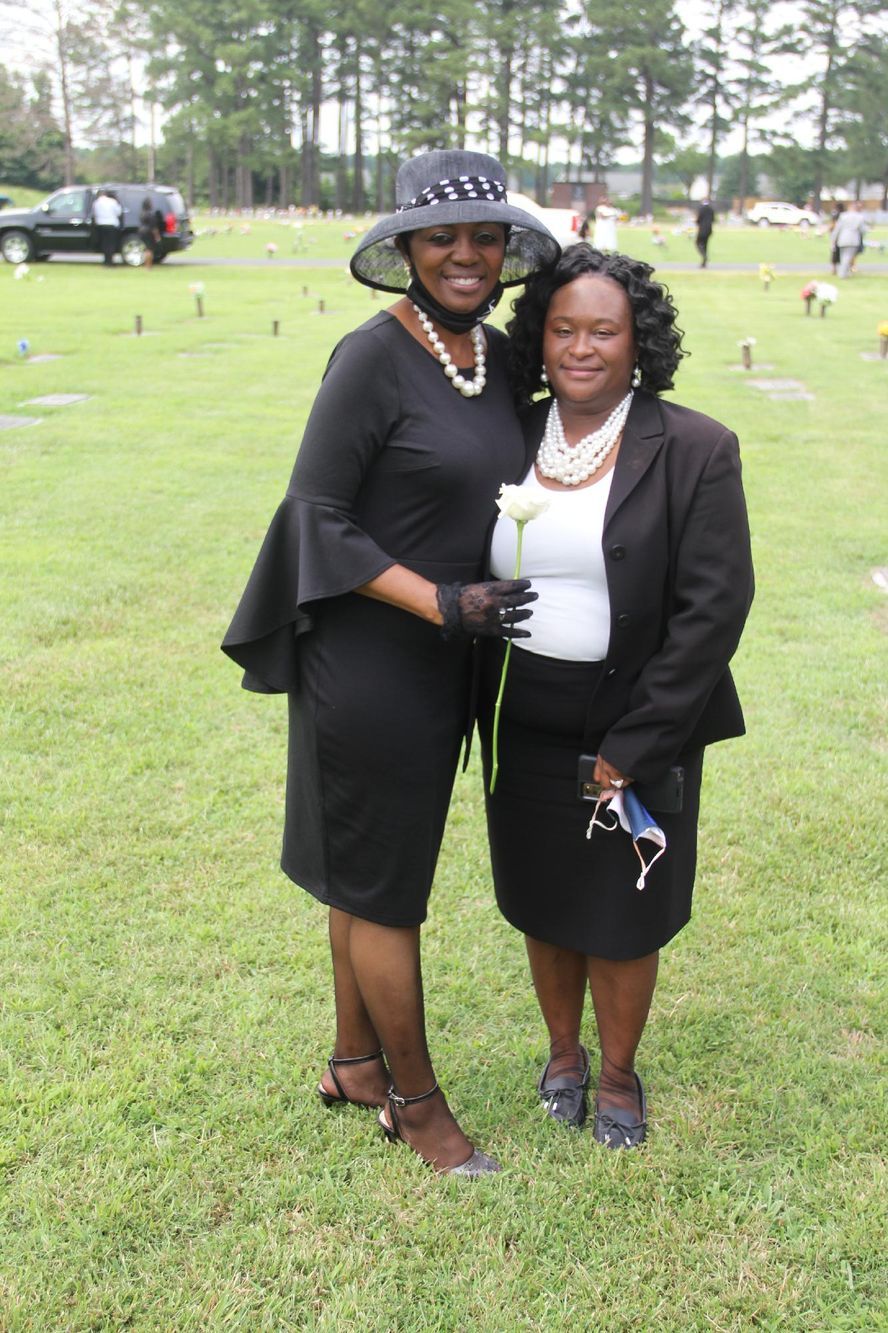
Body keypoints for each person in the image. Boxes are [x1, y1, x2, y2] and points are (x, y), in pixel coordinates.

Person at [222, 150, 558, 1176]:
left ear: (507, 251)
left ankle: (356, 1061)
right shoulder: (369, 357)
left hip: (456, 663)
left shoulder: (500, 357)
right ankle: (417, 1107)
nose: (467, 254)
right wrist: (439, 601)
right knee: (385, 890)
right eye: (443, 236)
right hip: (370, 660)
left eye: (486, 236)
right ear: (406, 247)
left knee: (369, 878)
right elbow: (314, 518)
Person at [478, 244, 753, 1150]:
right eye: (563, 328)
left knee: (626, 909)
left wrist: (639, 740)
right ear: (541, 338)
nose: (582, 346)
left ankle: (622, 1072)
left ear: (640, 345)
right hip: (523, 716)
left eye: (605, 330)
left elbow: (716, 607)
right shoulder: (506, 435)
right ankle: (564, 1055)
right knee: (544, 895)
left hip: (641, 722)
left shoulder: (697, 447)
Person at [831, 201, 867, 279]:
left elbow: (837, 229)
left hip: (842, 238)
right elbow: (863, 230)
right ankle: (843, 274)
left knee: (844, 256)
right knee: (848, 257)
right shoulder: (860, 217)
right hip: (853, 239)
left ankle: (844, 272)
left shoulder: (843, 216)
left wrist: (833, 239)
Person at [92, 189, 122, 266]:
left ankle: (106, 260)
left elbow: (95, 213)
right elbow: (118, 212)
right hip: (111, 224)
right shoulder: (112, 201)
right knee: (111, 244)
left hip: (101, 224)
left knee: (104, 243)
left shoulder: (96, 203)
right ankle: (110, 261)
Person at [138, 196, 162, 268]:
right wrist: (157, 236)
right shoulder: (151, 215)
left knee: (146, 249)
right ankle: (148, 266)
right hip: (148, 232)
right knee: (149, 249)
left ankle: (146, 264)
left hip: (141, 231)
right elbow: (154, 227)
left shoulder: (142, 213)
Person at [695, 199, 714, 267]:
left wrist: (696, 222)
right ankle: (704, 263)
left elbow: (698, 219)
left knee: (698, 243)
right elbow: (713, 219)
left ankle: (704, 256)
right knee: (705, 245)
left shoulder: (701, 209)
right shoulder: (711, 209)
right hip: (709, 229)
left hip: (702, 229)